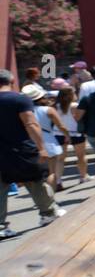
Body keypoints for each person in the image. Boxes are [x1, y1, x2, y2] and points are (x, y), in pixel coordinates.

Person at [0, 69, 65, 238]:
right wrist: (41, 147)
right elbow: (30, 123)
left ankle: (1, 226)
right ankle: (48, 214)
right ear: (12, 81)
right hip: (22, 149)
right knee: (36, 181)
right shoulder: (19, 99)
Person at [26, 84, 73, 191]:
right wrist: (67, 136)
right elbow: (61, 126)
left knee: (37, 173)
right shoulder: (48, 110)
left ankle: (41, 197)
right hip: (48, 141)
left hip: (31, 142)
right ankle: (50, 197)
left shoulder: (25, 111)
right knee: (51, 172)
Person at [52, 84, 88, 184]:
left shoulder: (55, 106)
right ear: (71, 95)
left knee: (60, 159)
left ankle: (58, 180)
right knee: (80, 156)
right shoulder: (75, 106)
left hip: (59, 133)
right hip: (75, 133)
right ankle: (83, 176)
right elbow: (79, 118)